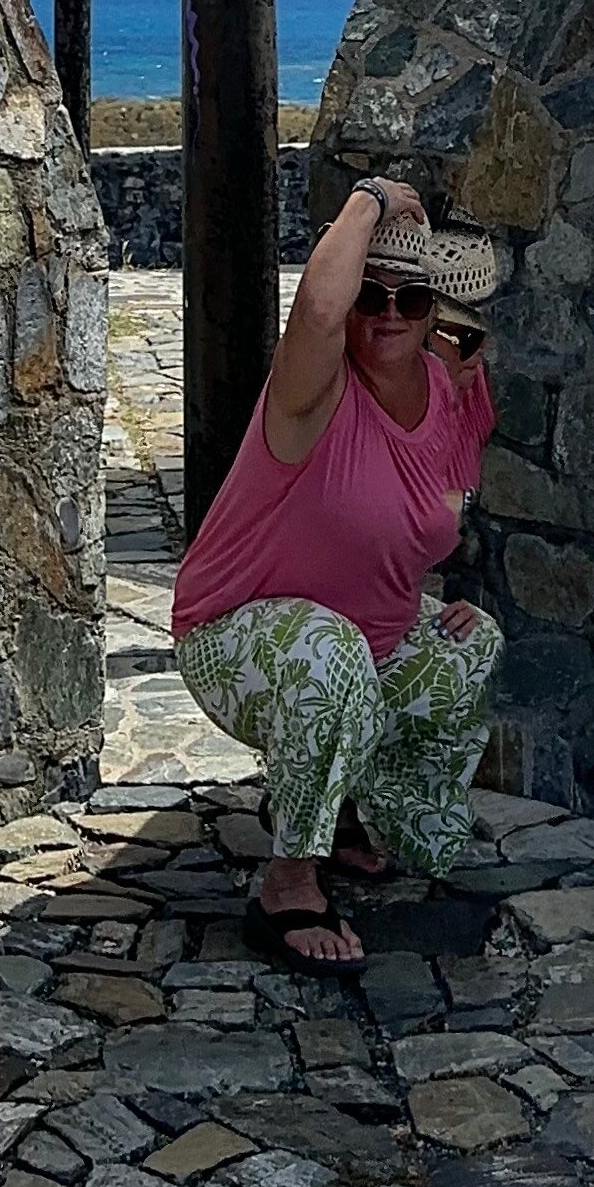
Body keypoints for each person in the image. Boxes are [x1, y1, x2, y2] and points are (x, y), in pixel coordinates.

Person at [168, 173, 505, 973]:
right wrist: (372, 198)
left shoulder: (447, 390)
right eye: (369, 295)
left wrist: (435, 608)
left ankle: (348, 810)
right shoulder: (313, 391)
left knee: (470, 646)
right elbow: (316, 312)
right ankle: (288, 883)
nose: (388, 314)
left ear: (433, 313)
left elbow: (428, 519)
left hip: (358, 643)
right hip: (234, 637)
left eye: (410, 300)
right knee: (331, 655)